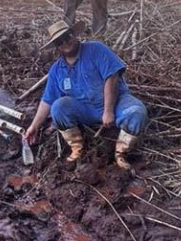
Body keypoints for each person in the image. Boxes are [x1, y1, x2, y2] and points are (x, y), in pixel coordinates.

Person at [24, 20, 148, 170]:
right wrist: (34, 126)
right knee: (58, 107)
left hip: (116, 103)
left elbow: (112, 77)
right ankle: (77, 149)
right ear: (57, 47)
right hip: (85, 109)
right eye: (60, 41)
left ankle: (121, 153)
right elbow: (47, 101)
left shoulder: (96, 49)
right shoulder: (56, 70)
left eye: (67, 37)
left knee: (136, 112)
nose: (65, 42)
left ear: (74, 35)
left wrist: (108, 111)